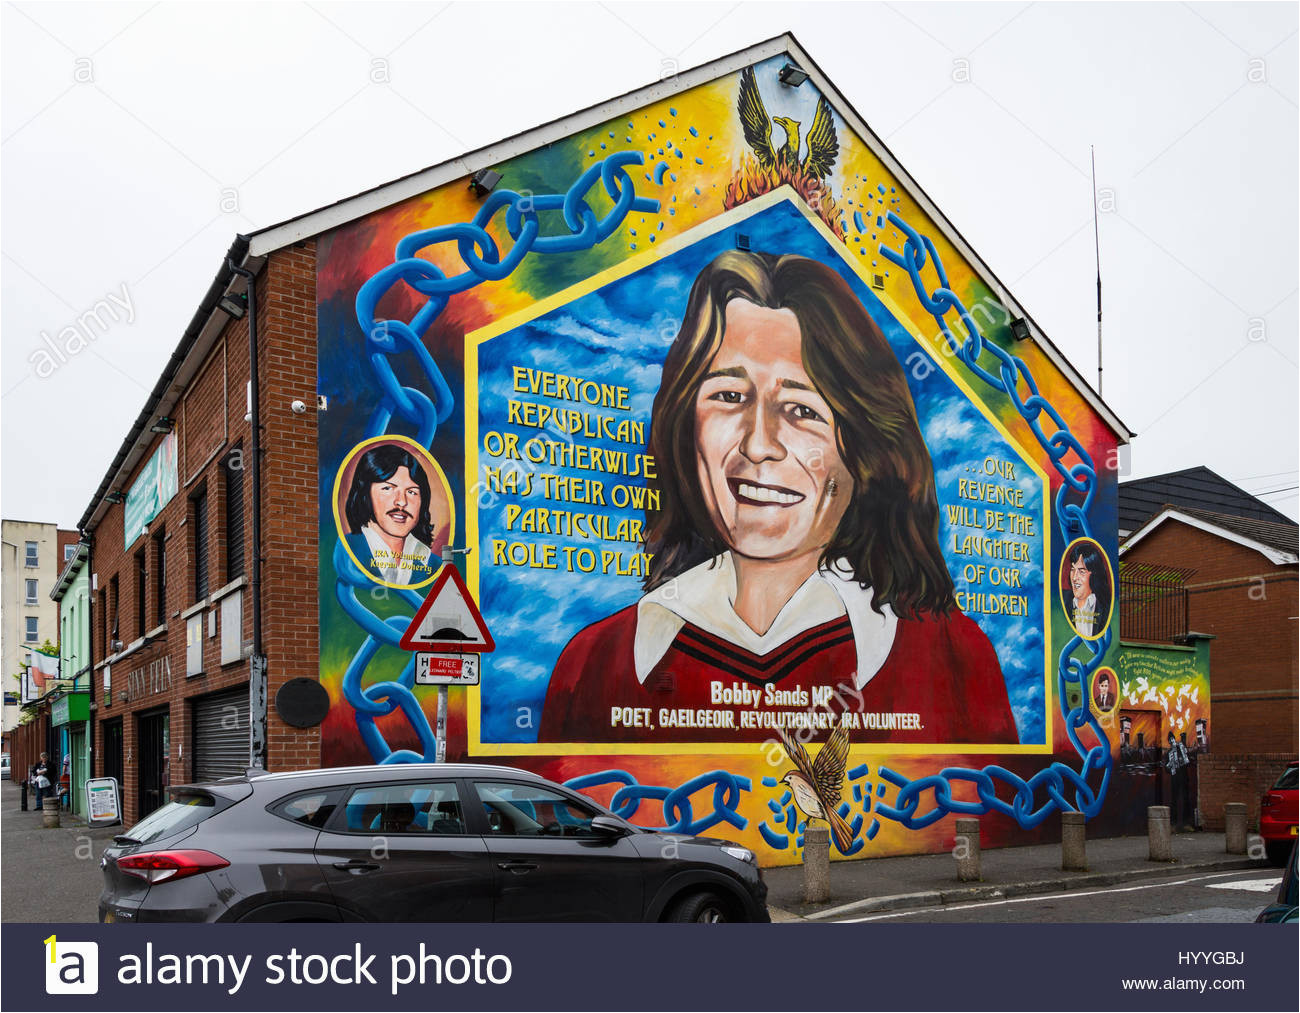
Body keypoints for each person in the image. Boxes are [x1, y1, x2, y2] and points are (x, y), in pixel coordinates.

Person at [540, 250, 1016, 744]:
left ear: (864, 443)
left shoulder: (952, 659)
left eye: (801, 409)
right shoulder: (596, 664)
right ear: (687, 429)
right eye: (728, 397)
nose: (758, 444)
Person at [342, 444, 448, 585]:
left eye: (412, 492)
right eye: (388, 488)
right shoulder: (346, 552)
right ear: (365, 493)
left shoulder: (434, 565)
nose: (402, 502)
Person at [1064, 541, 1110, 639]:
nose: (1074, 577)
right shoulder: (1062, 602)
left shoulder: (1106, 606)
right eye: (1072, 570)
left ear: (1094, 574)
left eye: (1081, 571)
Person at [1166, 731, 1191, 832]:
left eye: (1172, 739)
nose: (1172, 741)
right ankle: (1174, 823)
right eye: (1170, 740)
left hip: (1183, 776)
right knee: (1174, 800)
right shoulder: (1169, 753)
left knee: (1186, 799)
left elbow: (1186, 760)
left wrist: (1182, 760)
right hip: (1175, 778)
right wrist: (1169, 765)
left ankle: (1186, 822)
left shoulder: (1180, 747)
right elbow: (1166, 768)